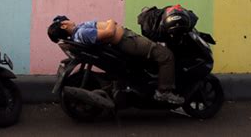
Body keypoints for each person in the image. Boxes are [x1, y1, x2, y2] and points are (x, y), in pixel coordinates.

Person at [47, 15, 185, 105]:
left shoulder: (78, 31)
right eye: (64, 20)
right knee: (166, 56)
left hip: (127, 40)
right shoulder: (82, 33)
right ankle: (164, 92)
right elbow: (109, 32)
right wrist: (111, 22)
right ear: (64, 26)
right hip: (128, 41)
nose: (68, 19)